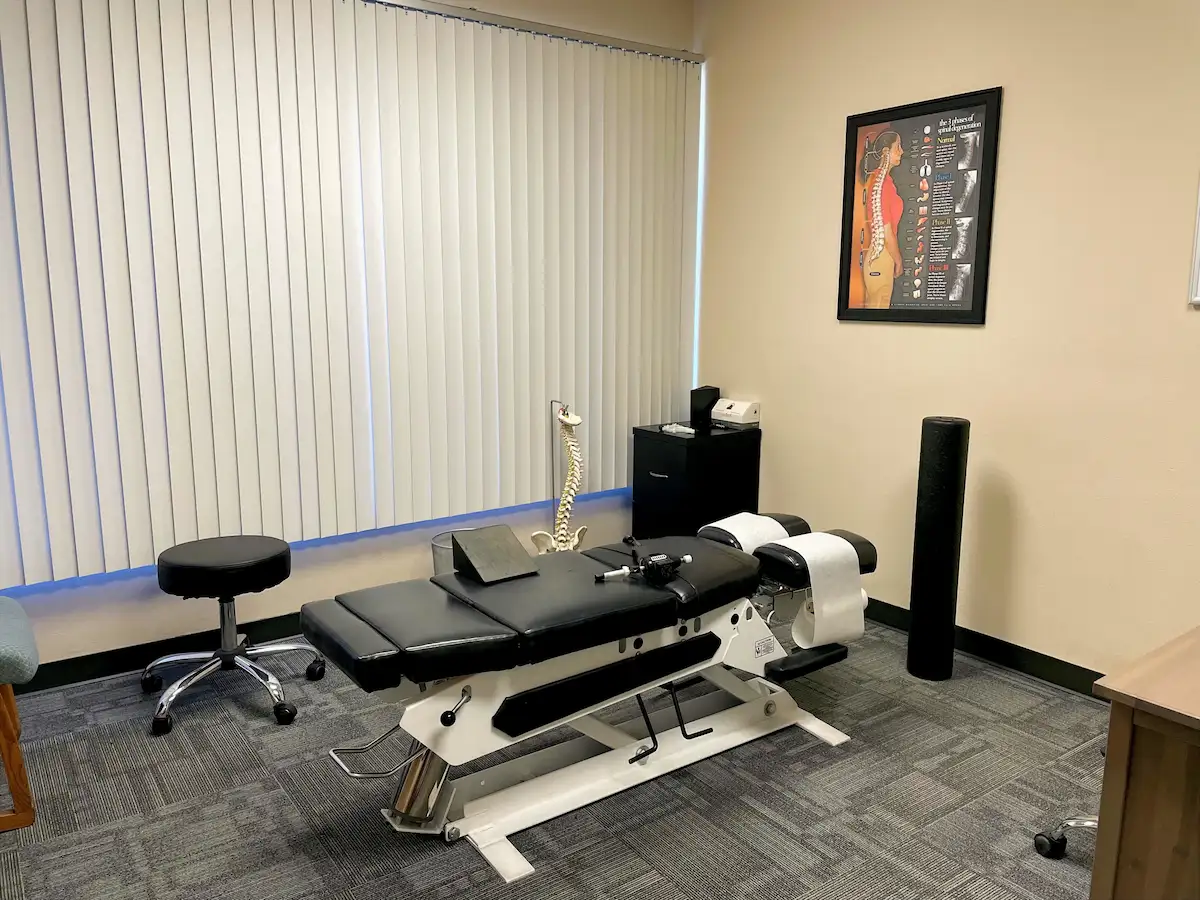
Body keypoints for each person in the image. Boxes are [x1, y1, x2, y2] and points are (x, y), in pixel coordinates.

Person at [859, 130, 904, 308]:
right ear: (886, 152)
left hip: (880, 257)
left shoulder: (885, 182)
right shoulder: (883, 184)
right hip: (881, 256)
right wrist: (898, 260)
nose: (902, 151)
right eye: (898, 147)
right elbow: (887, 233)